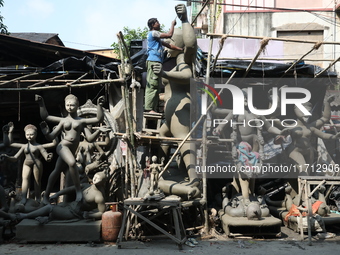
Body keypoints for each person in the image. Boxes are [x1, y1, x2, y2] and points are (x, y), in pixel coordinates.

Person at [151, 4, 200, 200]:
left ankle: (193, 178)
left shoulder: (182, 59)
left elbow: (188, 73)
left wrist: (185, 20)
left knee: (183, 141)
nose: (167, 42)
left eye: (171, 39)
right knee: (160, 140)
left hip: (180, 110)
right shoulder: (168, 60)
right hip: (169, 112)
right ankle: (158, 172)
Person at [35, 94, 106, 204]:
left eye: (72, 105)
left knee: (56, 171)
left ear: (77, 105)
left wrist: (99, 107)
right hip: (62, 147)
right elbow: (47, 121)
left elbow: (92, 133)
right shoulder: (63, 121)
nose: (69, 107)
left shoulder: (82, 121)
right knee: (72, 163)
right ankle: (78, 191)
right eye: (67, 105)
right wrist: (41, 103)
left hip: (71, 150)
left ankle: (46, 196)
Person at [14, 171, 107, 221]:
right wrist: (57, 194)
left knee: (50, 208)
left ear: (102, 182)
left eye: (98, 178)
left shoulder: (99, 196)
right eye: (95, 176)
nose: (95, 179)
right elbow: (70, 189)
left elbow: (101, 212)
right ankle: (30, 213)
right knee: (45, 206)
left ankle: (24, 216)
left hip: (74, 213)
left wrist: (90, 215)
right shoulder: (87, 186)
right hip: (69, 205)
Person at [0, 124, 57, 205]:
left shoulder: (39, 146)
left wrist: (48, 156)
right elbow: (15, 157)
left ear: (36, 134)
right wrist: (7, 157)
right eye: (27, 134)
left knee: (37, 181)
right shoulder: (24, 146)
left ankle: (37, 198)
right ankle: (24, 198)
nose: (29, 136)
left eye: (31, 134)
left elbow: (50, 150)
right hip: (26, 163)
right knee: (25, 179)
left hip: (37, 163)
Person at [145, 17, 183, 113]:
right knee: (152, 85)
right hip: (153, 61)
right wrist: (172, 25)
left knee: (156, 86)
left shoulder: (156, 39)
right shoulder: (153, 33)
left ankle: (152, 108)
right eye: (157, 22)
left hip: (157, 62)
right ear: (153, 25)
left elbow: (169, 45)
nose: (159, 23)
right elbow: (169, 35)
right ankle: (149, 109)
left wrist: (181, 49)